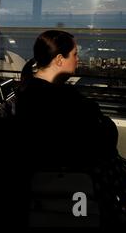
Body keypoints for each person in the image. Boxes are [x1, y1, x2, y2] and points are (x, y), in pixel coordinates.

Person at [16, 30, 118, 170]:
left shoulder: (34, 90)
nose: (78, 59)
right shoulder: (51, 99)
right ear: (59, 59)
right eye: (75, 54)